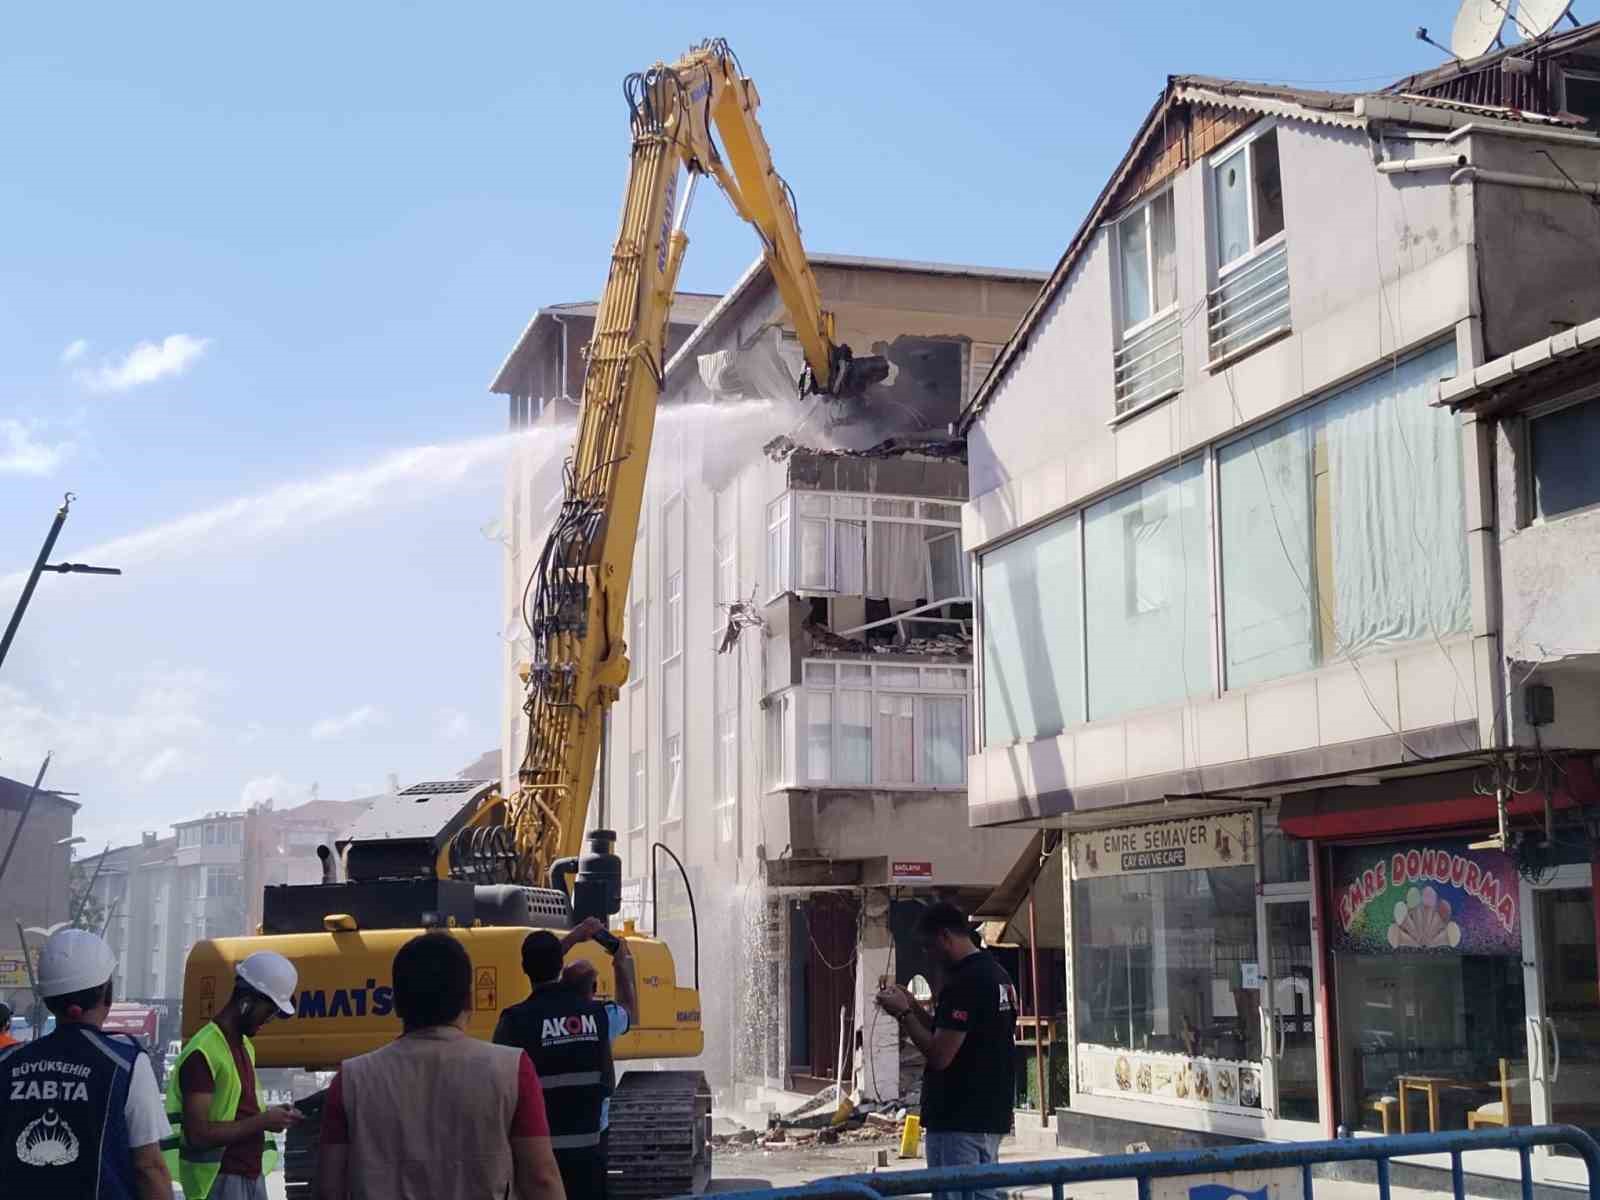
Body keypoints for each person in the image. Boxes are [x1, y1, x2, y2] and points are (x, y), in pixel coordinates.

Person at [316, 932, 564, 1200]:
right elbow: (541, 1177)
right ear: (469, 1001)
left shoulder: (351, 1080)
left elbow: (330, 1189)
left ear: (396, 1004)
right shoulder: (512, 1070)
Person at [0, 928, 173, 1200]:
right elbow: (148, 1167)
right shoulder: (125, 1064)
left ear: (47, 998)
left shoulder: (7, 1063)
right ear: (108, 992)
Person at [876, 902, 1018, 1200]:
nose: (929, 956)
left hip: (959, 1118)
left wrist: (904, 1016)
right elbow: (951, 1032)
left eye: (929, 947)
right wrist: (912, 1005)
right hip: (988, 1115)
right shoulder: (996, 974)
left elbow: (940, 1054)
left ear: (944, 937)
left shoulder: (965, 982)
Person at [494, 917, 636, 1200]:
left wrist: (572, 937)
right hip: (589, 1152)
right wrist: (621, 962)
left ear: (524, 968)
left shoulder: (514, 1022)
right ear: (560, 965)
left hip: (536, 1153)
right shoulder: (599, 1017)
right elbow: (629, 1010)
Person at [165, 950, 302, 1200]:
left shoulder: (243, 1046)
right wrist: (263, 1121)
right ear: (246, 1001)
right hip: (218, 1182)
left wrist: (275, 1116)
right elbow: (197, 1135)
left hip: (249, 1175)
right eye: (269, 1011)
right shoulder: (202, 1053)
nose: (270, 1020)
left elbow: (241, 1110)